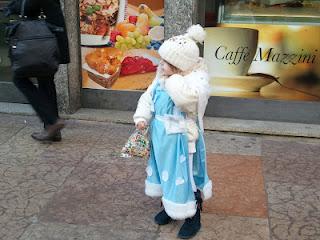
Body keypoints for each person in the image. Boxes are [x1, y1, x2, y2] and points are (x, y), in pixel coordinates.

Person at [134, 24, 213, 239]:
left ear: (178, 66)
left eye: (165, 62)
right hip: (161, 138)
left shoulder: (194, 81)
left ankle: (193, 215)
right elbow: (148, 98)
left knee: (186, 175)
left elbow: (188, 102)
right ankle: (171, 207)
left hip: (183, 140)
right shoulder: (161, 78)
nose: (160, 65)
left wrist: (173, 81)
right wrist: (142, 117)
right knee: (165, 173)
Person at [4, 0, 70, 142]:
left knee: (19, 78)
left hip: (42, 38)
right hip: (49, 37)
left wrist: (11, 7)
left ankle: (52, 121)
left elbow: (29, 5)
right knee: (46, 80)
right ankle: (52, 129)